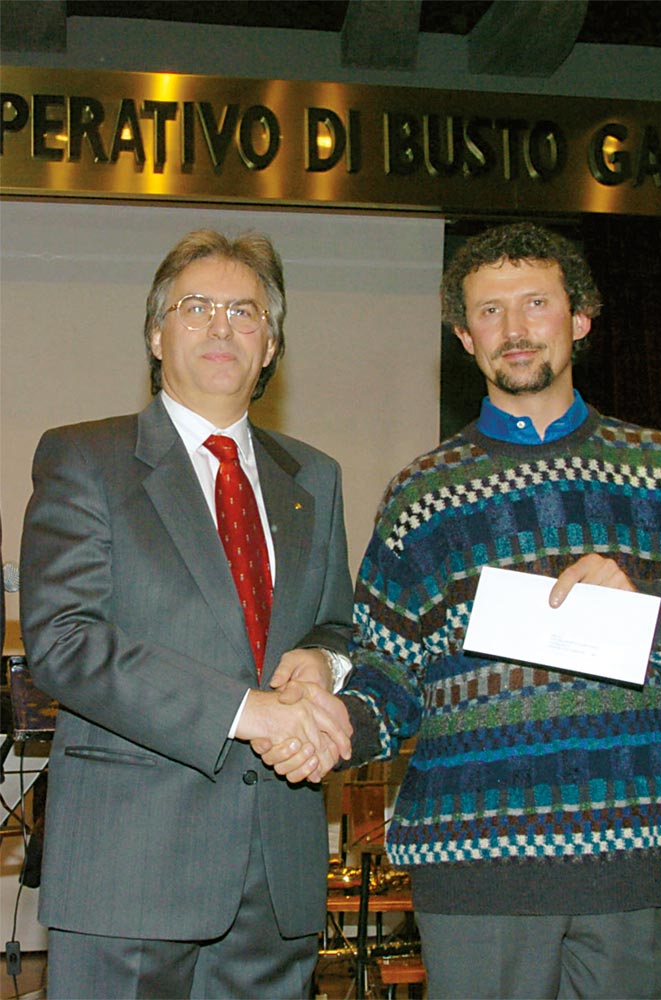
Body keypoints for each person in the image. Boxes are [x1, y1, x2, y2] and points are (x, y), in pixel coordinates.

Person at [266, 221, 661, 999]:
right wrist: (324, 726)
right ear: (464, 338)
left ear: (580, 319)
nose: (513, 328)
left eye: (535, 303)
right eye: (489, 311)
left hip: (639, 851)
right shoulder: (421, 495)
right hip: (475, 858)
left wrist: (654, 611)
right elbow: (387, 672)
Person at [19, 229, 355, 1000]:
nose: (220, 326)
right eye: (196, 306)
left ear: (270, 346)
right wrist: (248, 711)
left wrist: (322, 661)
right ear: (155, 333)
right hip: (129, 868)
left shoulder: (316, 477)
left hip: (277, 873)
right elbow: (66, 642)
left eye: (244, 311)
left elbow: (337, 624)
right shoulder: (84, 457)